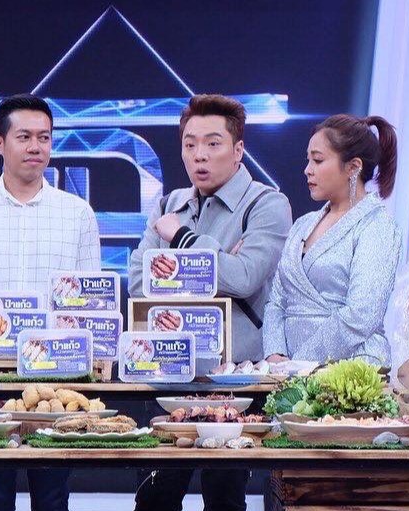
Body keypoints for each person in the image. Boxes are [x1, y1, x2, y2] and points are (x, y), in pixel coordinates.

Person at [130, 94, 292, 511]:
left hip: (233, 380)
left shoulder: (267, 204)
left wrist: (179, 241)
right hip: (170, 374)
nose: (199, 155)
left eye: (213, 143)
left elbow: (245, 277)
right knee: (154, 499)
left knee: (224, 499)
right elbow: (138, 282)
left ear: (238, 150)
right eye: (190, 144)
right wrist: (214, 263)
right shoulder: (168, 204)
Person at [0, 94, 100, 511]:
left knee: (53, 497)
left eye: (44, 138)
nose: (36, 147)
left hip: (56, 380)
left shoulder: (77, 213)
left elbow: (89, 304)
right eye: (24, 137)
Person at [263, 114, 402, 366]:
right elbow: (277, 300)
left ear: (353, 167)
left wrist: (300, 364)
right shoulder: (302, 224)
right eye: (308, 160)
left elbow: (361, 315)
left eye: (317, 160)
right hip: (287, 373)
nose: (307, 169)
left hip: (351, 370)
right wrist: (276, 354)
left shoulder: (377, 226)